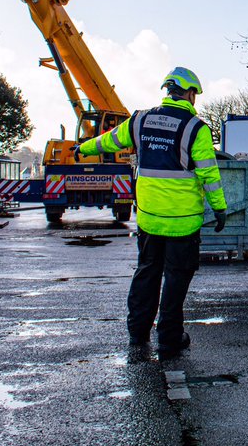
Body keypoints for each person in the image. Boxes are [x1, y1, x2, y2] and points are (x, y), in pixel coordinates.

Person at [78, 66, 227, 359]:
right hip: (182, 223)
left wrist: (83, 148)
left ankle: (137, 331)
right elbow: (209, 175)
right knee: (176, 278)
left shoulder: (140, 120)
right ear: (190, 93)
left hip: (148, 218)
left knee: (147, 272)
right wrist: (220, 209)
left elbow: (109, 140)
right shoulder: (196, 128)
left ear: (168, 90)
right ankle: (169, 339)